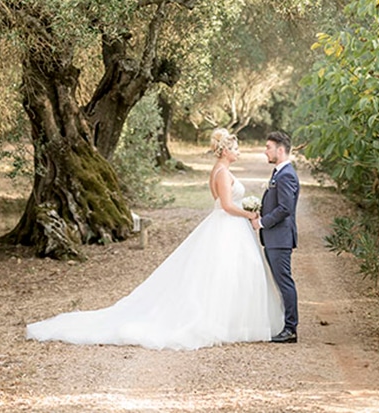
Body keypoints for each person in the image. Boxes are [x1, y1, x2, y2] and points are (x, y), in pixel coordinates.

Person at [26, 127, 283, 350]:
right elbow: (226, 205)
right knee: (225, 273)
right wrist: (249, 213)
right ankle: (224, 322)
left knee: (224, 273)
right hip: (227, 225)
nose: (238, 152)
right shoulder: (223, 173)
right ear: (225, 151)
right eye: (235, 149)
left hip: (224, 226)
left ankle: (231, 320)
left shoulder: (217, 170)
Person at [251, 130, 300, 344]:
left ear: (280, 150)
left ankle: (290, 329)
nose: (265, 151)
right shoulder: (279, 173)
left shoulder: (286, 175)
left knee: (284, 282)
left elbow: (285, 208)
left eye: (268, 147)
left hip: (280, 238)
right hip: (274, 238)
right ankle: (284, 324)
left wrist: (262, 222)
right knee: (281, 282)